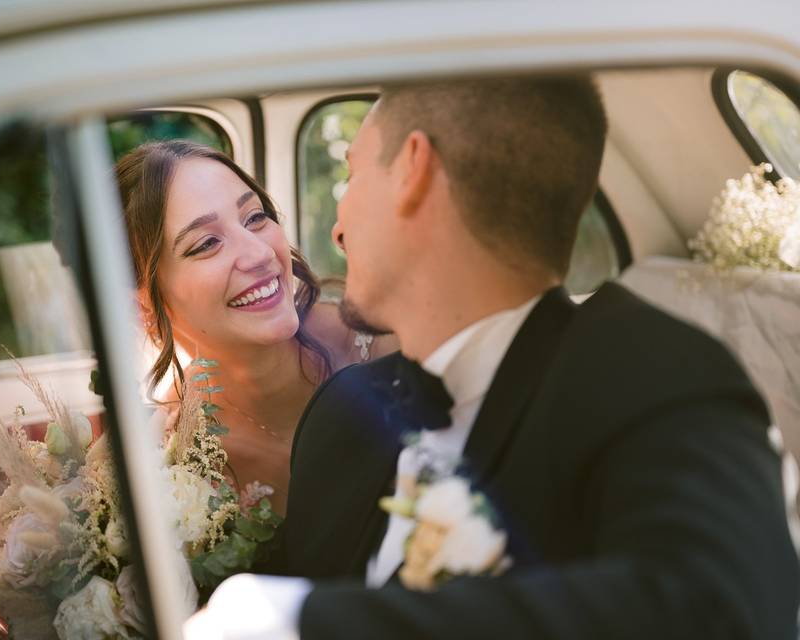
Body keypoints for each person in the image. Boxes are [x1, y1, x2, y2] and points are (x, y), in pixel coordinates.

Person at [184, 76, 800, 639]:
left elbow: (723, 610)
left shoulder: (658, 371)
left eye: (354, 175)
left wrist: (299, 621)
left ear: (413, 173)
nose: (337, 230)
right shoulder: (341, 416)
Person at [114, 140, 392, 515]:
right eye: (207, 243)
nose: (260, 254)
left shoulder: (387, 339)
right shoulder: (170, 456)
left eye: (255, 218)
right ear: (144, 302)